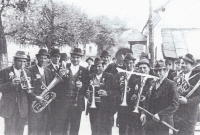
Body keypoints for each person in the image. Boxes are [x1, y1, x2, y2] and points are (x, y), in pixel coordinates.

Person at [50, 48, 89, 135]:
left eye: (78, 58)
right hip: (64, 103)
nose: (76, 59)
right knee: (62, 126)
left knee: (75, 127)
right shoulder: (63, 67)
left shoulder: (85, 70)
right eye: (74, 57)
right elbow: (57, 85)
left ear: (81, 58)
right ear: (70, 57)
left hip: (77, 103)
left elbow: (87, 85)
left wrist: (82, 86)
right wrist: (60, 75)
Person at [0, 51, 32, 135]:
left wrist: (28, 85)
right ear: (14, 61)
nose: (22, 63)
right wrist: (11, 84)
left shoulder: (28, 73)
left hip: (22, 107)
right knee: (9, 131)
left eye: (24, 61)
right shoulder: (4, 71)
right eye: (20, 61)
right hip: (9, 106)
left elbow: (28, 91)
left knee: (20, 131)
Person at [145, 60, 179, 135]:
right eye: (155, 71)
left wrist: (160, 114)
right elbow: (147, 100)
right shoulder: (151, 83)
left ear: (165, 70)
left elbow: (174, 105)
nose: (158, 73)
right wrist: (143, 113)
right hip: (151, 122)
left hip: (164, 123)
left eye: (160, 71)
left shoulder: (171, 84)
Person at [28, 49, 54, 135]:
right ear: (37, 58)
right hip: (35, 104)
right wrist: (35, 97)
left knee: (45, 128)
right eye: (41, 58)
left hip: (45, 105)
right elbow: (27, 89)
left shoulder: (48, 71)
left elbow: (49, 87)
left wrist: (52, 95)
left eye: (45, 58)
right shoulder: (30, 70)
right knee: (34, 129)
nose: (43, 60)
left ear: (47, 59)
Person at [86, 57, 115, 135]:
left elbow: (116, 92)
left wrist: (107, 93)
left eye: (99, 66)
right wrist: (87, 94)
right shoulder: (90, 76)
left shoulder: (110, 77)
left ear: (103, 67)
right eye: (95, 66)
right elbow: (86, 90)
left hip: (106, 107)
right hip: (93, 108)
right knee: (94, 129)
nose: (97, 68)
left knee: (106, 129)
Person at [174, 53, 200, 135]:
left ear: (192, 65)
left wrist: (187, 101)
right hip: (176, 112)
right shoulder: (176, 76)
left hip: (190, 113)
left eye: (186, 63)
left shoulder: (197, 78)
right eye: (182, 63)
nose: (183, 65)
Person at [128, 58, 153, 135]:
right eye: (140, 68)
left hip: (147, 112)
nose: (142, 70)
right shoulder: (136, 81)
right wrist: (133, 97)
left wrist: (144, 112)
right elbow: (131, 95)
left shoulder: (153, 81)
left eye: (144, 68)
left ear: (149, 68)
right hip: (136, 111)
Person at [114, 53, 136, 135]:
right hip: (122, 107)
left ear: (134, 63)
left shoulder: (138, 74)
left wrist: (131, 90)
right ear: (124, 63)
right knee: (122, 129)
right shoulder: (119, 74)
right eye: (127, 63)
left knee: (132, 129)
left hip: (132, 106)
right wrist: (120, 87)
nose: (129, 65)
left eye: (130, 63)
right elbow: (115, 90)